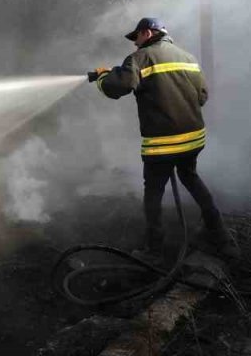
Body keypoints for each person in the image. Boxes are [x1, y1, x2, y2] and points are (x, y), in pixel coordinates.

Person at [91, 17, 236, 263]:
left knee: (154, 192)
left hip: (162, 145)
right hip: (193, 140)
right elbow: (202, 96)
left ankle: (153, 250)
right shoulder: (188, 58)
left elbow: (115, 88)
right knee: (191, 178)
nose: (135, 43)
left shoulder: (140, 58)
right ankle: (221, 237)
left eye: (136, 37)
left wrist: (103, 76)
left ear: (148, 33)